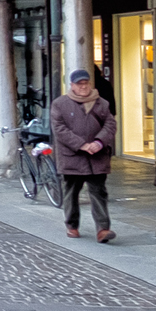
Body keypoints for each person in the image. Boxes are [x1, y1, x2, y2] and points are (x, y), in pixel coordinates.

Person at [49, 68, 118, 241]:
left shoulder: (101, 103)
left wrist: (99, 142)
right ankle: (72, 225)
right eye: (79, 84)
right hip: (72, 157)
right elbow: (59, 129)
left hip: (97, 156)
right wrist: (81, 145)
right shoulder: (60, 104)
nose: (83, 87)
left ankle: (103, 229)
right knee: (71, 192)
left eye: (86, 83)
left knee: (99, 192)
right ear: (71, 85)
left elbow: (110, 125)